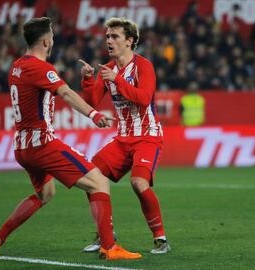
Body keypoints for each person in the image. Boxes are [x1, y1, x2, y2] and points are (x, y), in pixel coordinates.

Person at [0, 17, 141, 261]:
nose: (53, 42)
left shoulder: (16, 66)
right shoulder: (41, 68)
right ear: (46, 41)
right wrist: (94, 114)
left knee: (46, 193)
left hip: (21, 147)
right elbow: (65, 92)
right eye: (52, 38)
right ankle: (110, 247)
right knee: (99, 181)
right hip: (42, 144)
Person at [79, 17, 170, 254]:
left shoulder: (143, 66)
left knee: (139, 183)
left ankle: (161, 239)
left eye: (115, 36)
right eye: (107, 36)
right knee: (91, 177)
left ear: (129, 41)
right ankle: (104, 235)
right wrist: (89, 79)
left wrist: (117, 81)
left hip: (147, 136)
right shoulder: (107, 69)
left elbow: (143, 98)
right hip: (122, 138)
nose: (109, 40)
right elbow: (92, 101)